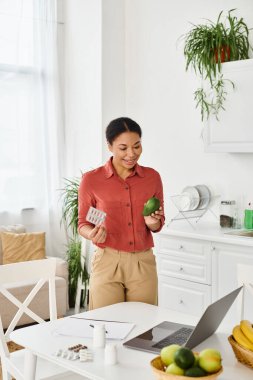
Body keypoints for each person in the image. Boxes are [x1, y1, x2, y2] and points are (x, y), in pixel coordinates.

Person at [78, 117, 165, 310]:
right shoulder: (91, 180)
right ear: (109, 146)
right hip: (107, 261)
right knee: (105, 326)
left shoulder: (152, 178)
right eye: (123, 148)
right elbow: (83, 223)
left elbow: (158, 224)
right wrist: (91, 233)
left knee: (143, 330)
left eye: (137, 146)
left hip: (142, 262)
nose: (131, 154)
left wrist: (152, 222)